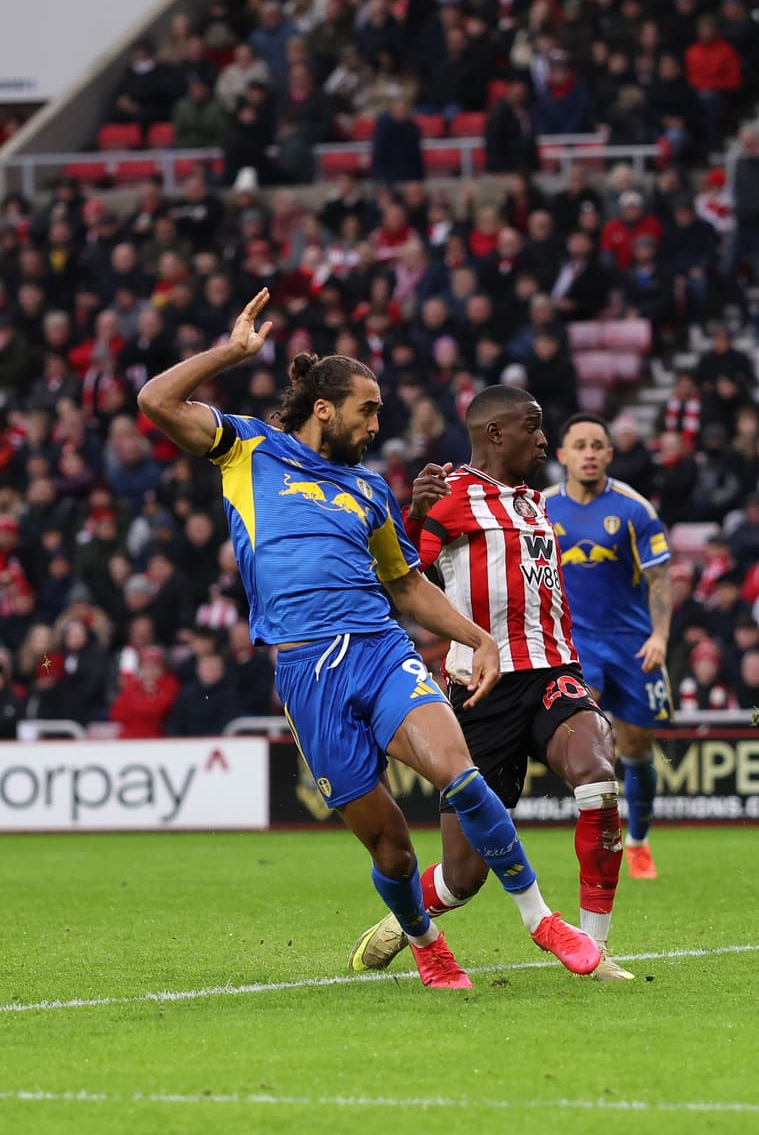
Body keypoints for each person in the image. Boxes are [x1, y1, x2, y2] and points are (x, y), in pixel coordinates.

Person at [135, 289, 601, 989]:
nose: (378, 423)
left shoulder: (369, 490)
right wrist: (231, 354)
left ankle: (541, 918)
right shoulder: (247, 449)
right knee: (394, 850)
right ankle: (424, 938)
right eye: (367, 409)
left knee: (458, 770)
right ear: (324, 408)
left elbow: (408, 587)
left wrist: (481, 639)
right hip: (307, 671)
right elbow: (155, 401)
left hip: (381, 648)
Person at [350, 385, 633, 982]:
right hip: (481, 690)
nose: (544, 440)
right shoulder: (452, 496)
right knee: (463, 876)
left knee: (598, 778)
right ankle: (407, 917)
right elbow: (404, 574)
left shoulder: (534, 502)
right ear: (496, 433)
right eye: (533, 427)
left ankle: (596, 945)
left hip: (554, 674)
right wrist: (416, 515)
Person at [543, 414, 675, 879]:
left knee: (637, 744)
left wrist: (659, 636)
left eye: (598, 445)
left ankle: (638, 839)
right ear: (562, 455)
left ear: (610, 455)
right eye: (579, 445)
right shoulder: (542, 508)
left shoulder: (634, 509)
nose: (590, 453)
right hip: (576, 646)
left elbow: (659, 578)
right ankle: (601, 837)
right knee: (588, 741)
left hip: (634, 644)